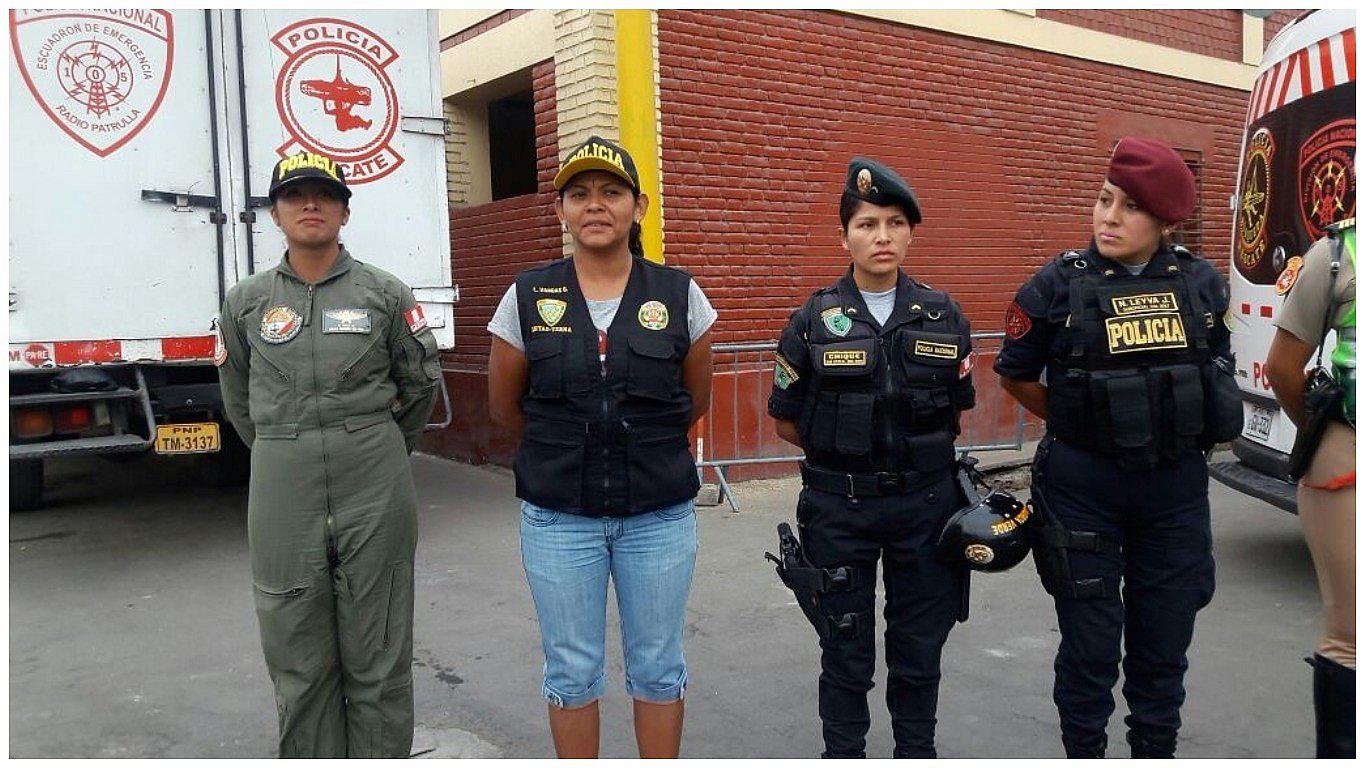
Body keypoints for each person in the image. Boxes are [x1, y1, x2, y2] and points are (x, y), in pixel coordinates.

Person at [995, 136, 1241, 758]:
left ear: (1165, 221)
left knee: (1164, 644)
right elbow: (1015, 374)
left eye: (1130, 207)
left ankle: (1155, 749)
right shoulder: (1055, 284)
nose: (1109, 217)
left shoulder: (1201, 285)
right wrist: (1082, 421)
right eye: (1104, 199)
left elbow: (1216, 363)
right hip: (1084, 489)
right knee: (1090, 647)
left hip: (1173, 492)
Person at [485, 136, 716, 758]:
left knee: (659, 667)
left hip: (658, 517)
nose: (595, 205)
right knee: (571, 670)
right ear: (560, 209)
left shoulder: (679, 294)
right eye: (579, 193)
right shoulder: (528, 295)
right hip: (560, 518)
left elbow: (693, 400)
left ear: (638, 207)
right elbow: (505, 408)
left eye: (611, 192)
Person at [217, 151, 441, 758]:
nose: (310, 204)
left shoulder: (384, 293)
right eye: (294, 195)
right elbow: (238, 397)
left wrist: (376, 445)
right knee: (295, 649)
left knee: (380, 648)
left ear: (345, 210)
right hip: (282, 481)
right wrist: (283, 447)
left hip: (374, 477)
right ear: (275, 213)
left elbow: (420, 384)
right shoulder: (246, 301)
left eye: (325, 194)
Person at [767, 157, 976, 758]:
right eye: (866, 224)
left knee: (919, 651)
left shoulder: (943, 315)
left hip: (926, 508)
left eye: (894, 223)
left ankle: (916, 753)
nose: (881, 236)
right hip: (841, 509)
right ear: (845, 237)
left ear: (910, 234)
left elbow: (956, 408)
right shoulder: (812, 320)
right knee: (844, 651)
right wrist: (845, 458)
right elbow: (785, 418)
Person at [1265, 219, 1355, 758]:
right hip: (1349, 459)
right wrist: (1324, 436)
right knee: (1353, 639)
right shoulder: (1339, 251)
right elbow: (1282, 368)